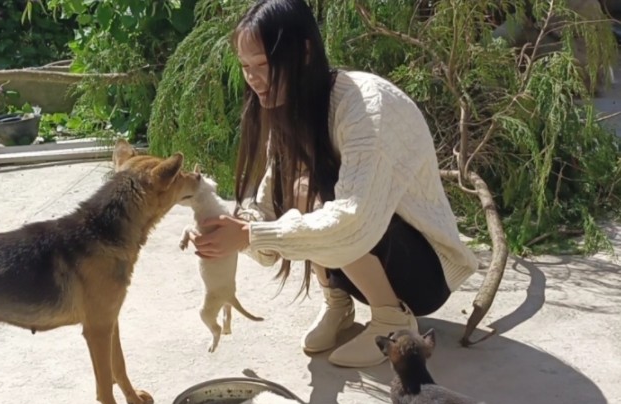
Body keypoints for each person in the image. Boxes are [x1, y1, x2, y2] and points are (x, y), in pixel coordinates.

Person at [191, 0, 479, 368]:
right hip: (362, 265)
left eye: (263, 64)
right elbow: (269, 201)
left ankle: (393, 320)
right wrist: (226, 225)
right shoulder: (291, 107)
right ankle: (338, 304)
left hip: (422, 273)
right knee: (296, 186)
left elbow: (355, 217)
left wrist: (251, 235)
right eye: (245, 67)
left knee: (313, 192)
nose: (253, 78)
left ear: (305, 52)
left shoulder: (366, 106)